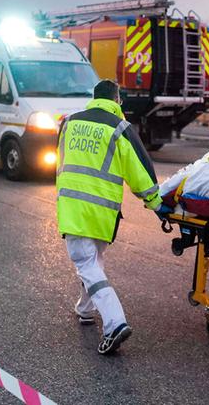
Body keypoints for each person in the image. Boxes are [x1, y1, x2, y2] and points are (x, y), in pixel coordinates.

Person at [56, 79, 171, 355]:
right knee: (92, 261)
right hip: (104, 212)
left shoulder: (69, 122)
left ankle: (115, 322)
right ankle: (85, 309)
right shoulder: (120, 128)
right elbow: (139, 171)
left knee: (87, 264)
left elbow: (61, 161)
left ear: (94, 97)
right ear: (117, 100)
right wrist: (156, 204)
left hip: (73, 207)